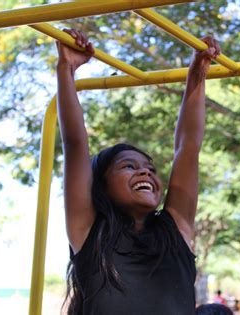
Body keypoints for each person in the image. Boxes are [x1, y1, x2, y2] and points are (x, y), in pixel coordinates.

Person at [56, 29, 220, 314]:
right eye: (129, 166)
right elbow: (75, 144)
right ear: (101, 185)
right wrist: (66, 69)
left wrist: (198, 73)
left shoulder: (175, 230)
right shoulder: (89, 234)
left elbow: (188, 147)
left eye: (150, 169)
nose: (145, 173)